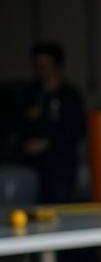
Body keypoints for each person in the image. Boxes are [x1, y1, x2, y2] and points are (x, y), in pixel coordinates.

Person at [18, 43, 87, 203]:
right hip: (32, 166)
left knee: (60, 208)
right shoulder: (29, 93)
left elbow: (78, 129)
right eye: (37, 63)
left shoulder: (69, 94)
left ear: (56, 65)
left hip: (61, 166)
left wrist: (47, 143)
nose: (41, 67)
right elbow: (16, 127)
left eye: (45, 63)